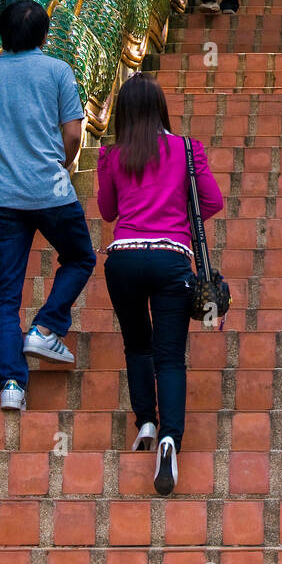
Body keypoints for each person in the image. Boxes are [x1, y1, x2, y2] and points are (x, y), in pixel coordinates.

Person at [0, 0, 96, 413]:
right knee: (80, 257)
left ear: (2, 36)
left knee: (4, 296)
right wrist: (64, 164)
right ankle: (46, 326)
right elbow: (73, 134)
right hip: (51, 191)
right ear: (44, 36)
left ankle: (12, 385)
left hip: (1, 197)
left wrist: (1, 156)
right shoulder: (57, 71)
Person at [97, 75, 224, 495]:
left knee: (137, 343)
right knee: (170, 357)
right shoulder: (187, 149)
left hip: (124, 259)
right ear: (161, 108)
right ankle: (170, 438)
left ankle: (145, 422)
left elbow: (108, 210)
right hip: (171, 260)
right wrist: (178, 223)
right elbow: (213, 201)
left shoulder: (113, 154)